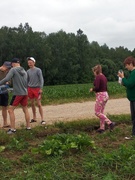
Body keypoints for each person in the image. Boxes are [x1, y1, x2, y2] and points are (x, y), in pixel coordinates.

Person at [0, 58, 31, 134]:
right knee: (25, 109)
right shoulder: (24, 71)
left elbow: (7, 78)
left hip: (18, 94)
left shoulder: (13, 70)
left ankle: (13, 129)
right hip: (25, 93)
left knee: (10, 110)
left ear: (13, 64)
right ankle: (28, 127)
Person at [90, 64, 115, 133]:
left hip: (100, 96)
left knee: (97, 112)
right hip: (105, 94)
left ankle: (110, 123)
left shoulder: (98, 77)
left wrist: (92, 89)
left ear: (96, 71)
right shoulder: (104, 77)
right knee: (101, 113)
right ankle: (102, 127)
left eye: (93, 72)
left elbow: (97, 87)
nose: (93, 73)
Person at [118, 56, 135, 139]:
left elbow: (130, 84)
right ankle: (134, 134)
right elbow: (128, 83)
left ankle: (134, 134)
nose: (126, 67)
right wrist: (122, 81)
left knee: (134, 117)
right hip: (132, 99)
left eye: (127, 65)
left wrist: (123, 78)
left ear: (131, 64)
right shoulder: (132, 73)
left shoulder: (134, 73)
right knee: (133, 117)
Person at [27, 57, 45, 125]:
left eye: (31, 62)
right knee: (32, 104)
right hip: (30, 88)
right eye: (28, 63)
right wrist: (26, 89)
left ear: (34, 62)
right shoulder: (28, 71)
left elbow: (41, 79)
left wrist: (41, 88)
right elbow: (27, 81)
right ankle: (34, 118)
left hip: (37, 88)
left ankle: (42, 119)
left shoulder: (38, 70)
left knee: (39, 104)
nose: (30, 64)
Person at [0, 61, 11, 128]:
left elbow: (10, 81)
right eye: (7, 68)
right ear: (3, 66)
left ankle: (5, 123)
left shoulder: (8, 72)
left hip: (4, 91)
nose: (8, 70)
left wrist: (8, 83)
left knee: (4, 106)